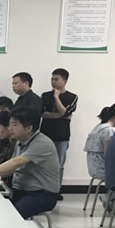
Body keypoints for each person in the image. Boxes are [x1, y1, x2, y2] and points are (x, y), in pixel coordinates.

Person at [0, 107, 60, 218]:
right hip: (20, 190)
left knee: (11, 216)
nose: (9, 128)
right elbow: (11, 169)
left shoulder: (41, 143)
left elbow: (16, 162)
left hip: (41, 194)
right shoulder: (20, 142)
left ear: (29, 128)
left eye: (14, 125)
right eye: (9, 124)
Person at [39, 68, 78, 196]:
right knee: (43, 163)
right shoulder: (45, 96)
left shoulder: (72, 97)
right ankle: (43, 188)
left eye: (56, 79)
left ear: (65, 81)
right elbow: (42, 113)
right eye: (52, 79)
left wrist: (56, 97)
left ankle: (56, 190)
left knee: (59, 165)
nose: (53, 82)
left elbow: (64, 112)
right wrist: (60, 115)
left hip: (62, 136)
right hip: (45, 135)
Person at [84, 102, 115, 181]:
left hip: (94, 169)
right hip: (103, 169)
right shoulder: (108, 130)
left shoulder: (98, 127)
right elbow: (108, 154)